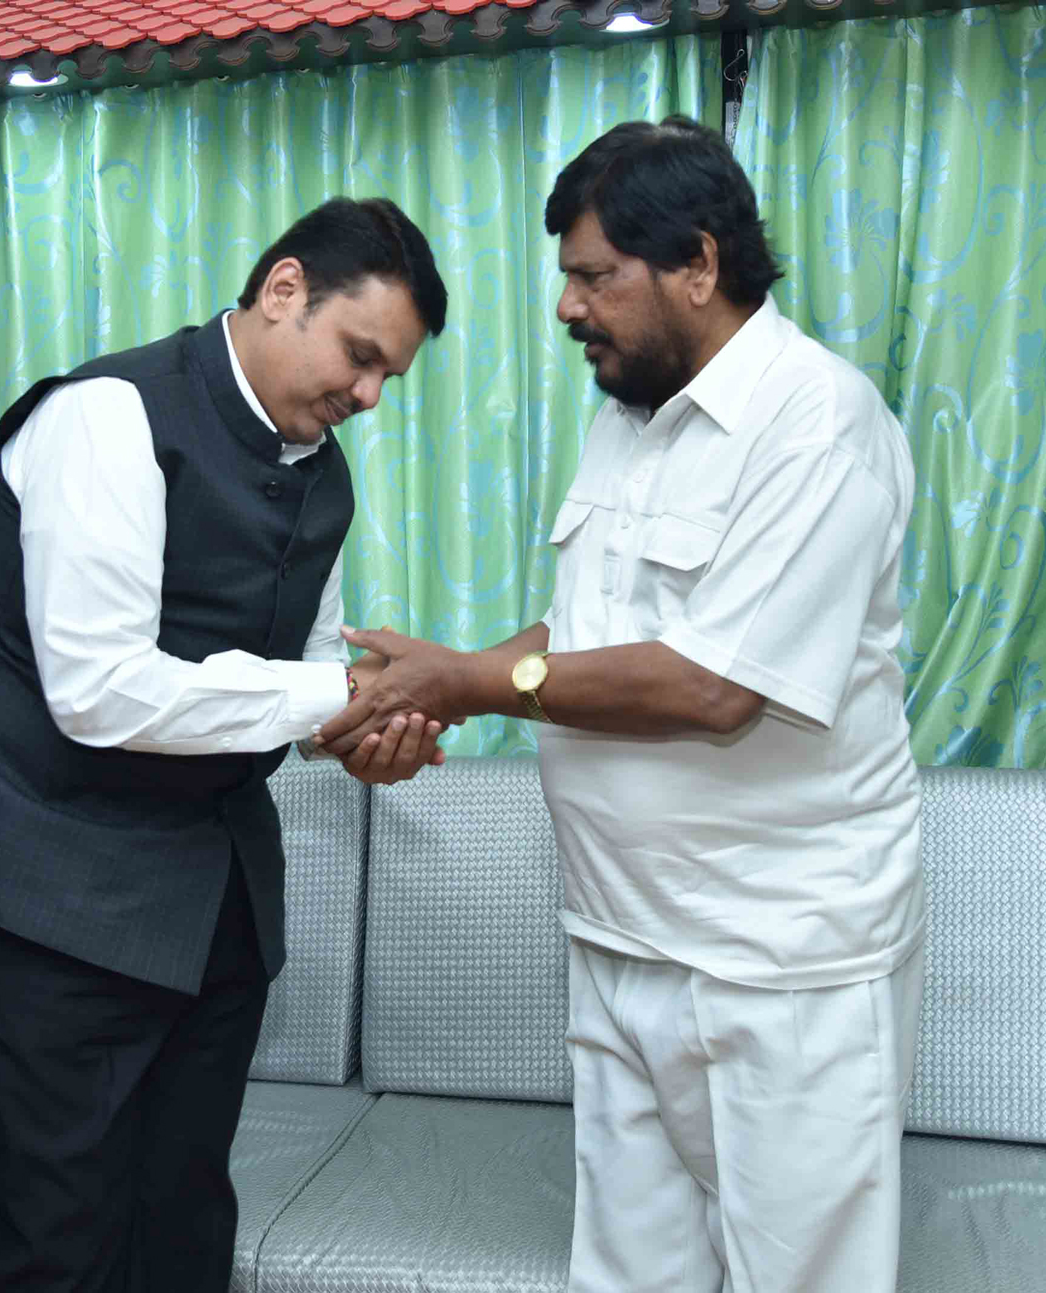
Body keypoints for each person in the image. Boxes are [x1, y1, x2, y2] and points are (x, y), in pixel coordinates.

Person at [316, 118, 924, 1293]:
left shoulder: (816, 425)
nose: (568, 308)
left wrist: (465, 680)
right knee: (629, 1274)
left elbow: (716, 686)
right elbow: (585, 642)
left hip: (776, 965)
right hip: (615, 936)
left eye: (595, 277)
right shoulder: (624, 418)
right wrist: (443, 682)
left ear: (698, 263)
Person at [0, 196, 448, 1293]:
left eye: (391, 377)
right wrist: (340, 691)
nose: (372, 395)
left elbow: (299, 675)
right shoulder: (107, 416)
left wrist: (365, 730)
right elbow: (99, 692)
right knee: (56, 1232)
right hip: (24, 875)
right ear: (283, 289)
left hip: (208, 901)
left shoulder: (322, 472)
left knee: (183, 1222)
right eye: (361, 355)